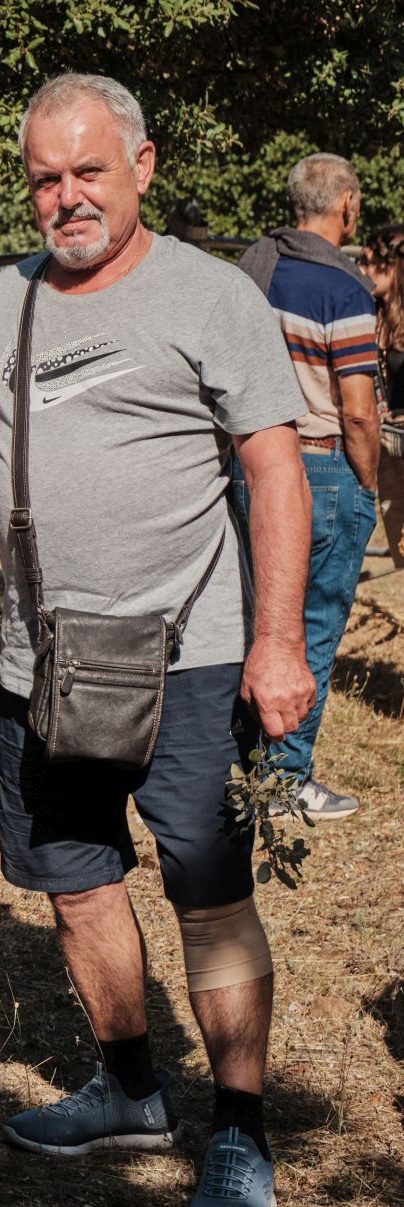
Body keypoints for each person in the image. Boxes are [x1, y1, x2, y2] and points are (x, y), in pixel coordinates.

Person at [0, 74, 313, 1207]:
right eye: (46, 177)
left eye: (90, 170)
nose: (67, 197)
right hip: (45, 658)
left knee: (208, 888)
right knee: (75, 877)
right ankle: (130, 1085)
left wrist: (278, 639)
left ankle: (238, 1125)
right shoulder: (6, 298)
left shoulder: (209, 292)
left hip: (192, 655)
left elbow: (276, 469)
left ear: (143, 165)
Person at [234, 155, 382, 819]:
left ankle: (245, 765)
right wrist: (368, 480)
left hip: (250, 464)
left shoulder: (252, 272)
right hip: (320, 461)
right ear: (345, 204)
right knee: (312, 628)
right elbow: (357, 408)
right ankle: (286, 780)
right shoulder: (341, 288)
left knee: (257, 622)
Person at [359, 223, 404, 568]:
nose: (361, 270)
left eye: (370, 262)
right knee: (400, 549)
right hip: (390, 448)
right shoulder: (372, 317)